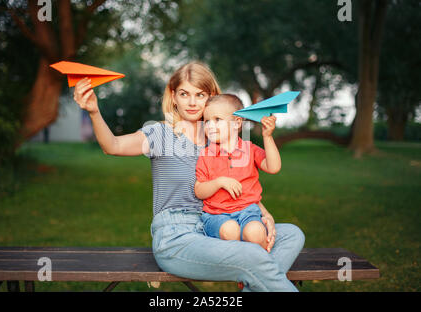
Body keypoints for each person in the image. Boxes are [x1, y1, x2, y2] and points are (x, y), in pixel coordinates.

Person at [73, 61, 305, 291]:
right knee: (252, 254)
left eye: (200, 94)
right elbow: (112, 145)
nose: (192, 102)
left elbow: (239, 183)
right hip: (177, 235)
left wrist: (264, 213)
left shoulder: (218, 136)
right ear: (173, 96)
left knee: (291, 235)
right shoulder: (160, 133)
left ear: (211, 97)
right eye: (184, 94)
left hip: (219, 225)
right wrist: (94, 111)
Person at [195, 94, 280, 252]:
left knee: (255, 232)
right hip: (217, 215)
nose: (210, 126)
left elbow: (273, 167)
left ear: (237, 123)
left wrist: (267, 137)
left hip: (248, 211)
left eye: (217, 119)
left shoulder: (249, 149)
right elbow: (199, 191)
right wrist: (219, 182)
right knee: (230, 230)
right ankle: (239, 268)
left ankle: (260, 267)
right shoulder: (206, 154)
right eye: (206, 121)